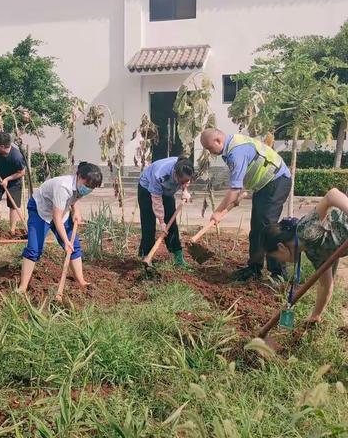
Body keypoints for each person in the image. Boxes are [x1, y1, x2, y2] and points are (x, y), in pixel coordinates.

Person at [200, 128, 291, 281]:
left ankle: (279, 274)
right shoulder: (232, 146)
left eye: (210, 148)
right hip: (264, 186)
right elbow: (240, 181)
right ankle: (254, 268)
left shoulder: (236, 151)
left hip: (277, 181)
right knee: (257, 228)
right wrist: (237, 196)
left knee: (269, 228)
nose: (210, 152)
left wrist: (218, 211)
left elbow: (234, 188)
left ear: (218, 141)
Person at [262, 188, 348, 325]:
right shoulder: (313, 253)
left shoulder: (304, 230)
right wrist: (315, 315)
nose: (281, 261)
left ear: (281, 247)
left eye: (278, 257)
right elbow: (326, 285)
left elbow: (331, 195)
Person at [18, 161, 103, 294]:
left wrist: (76, 212)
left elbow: (75, 198)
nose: (88, 189)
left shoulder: (81, 186)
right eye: (87, 185)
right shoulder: (63, 187)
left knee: (74, 247)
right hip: (40, 210)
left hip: (60, 211)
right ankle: (22, 287)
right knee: (34, 248)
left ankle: (81, 281)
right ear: (79, 176)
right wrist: (65, 241)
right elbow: (56, 219)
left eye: (92, 187)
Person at [138, 156, 193, 267]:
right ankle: (146, 256)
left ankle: (178, 258)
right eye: (181, 181)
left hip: (166, 191)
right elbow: (157, 200)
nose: (183, 182)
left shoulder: (185, 167)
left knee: (171, 223)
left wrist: (185, 191)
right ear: (175, 174)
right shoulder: (160, 174)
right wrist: (162, 222)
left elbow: (186, 180)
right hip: (147, 189)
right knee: (148, 224)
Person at [0, 131, 26, 234]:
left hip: (14, 181)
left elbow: (22, 172)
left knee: (13, 207)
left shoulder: (16, 157)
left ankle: (12, 231)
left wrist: (7, 179)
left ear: (2, 146)